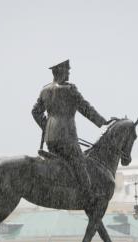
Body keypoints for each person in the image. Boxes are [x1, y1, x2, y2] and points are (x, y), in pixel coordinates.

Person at [32, 59, 110, 206]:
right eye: (67, 70)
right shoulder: (69, 90)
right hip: (66, 137)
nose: (69, 73)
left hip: (51, 139)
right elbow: (86, 109)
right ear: (61, 71)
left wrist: (47, 126)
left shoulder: (45, 90)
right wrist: (103, 122)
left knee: (62, 163)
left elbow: (35, 112)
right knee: (80, 163)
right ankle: (88, 196)